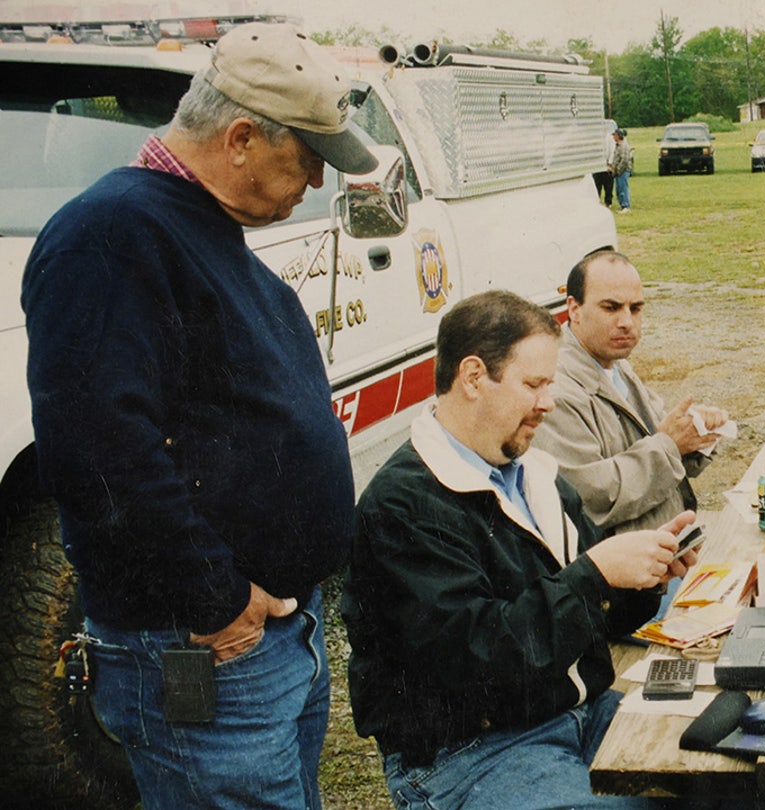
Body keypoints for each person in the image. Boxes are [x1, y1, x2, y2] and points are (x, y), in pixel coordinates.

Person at [20, 22, 377, 810]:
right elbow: (97, 453)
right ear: (243, 137)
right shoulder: (108, 235)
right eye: (310, 157)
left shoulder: (191, 225)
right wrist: (215, 599)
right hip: (208, 647)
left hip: (274, 635)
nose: (318, 183)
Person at [342, 290, 698, 809]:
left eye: (550, 384)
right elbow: (480, 659)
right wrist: (595, 575)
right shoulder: (404, 504)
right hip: (470, 751)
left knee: (724, 777)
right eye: (534, 384)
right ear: (471, 378)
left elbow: (583, 615)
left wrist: (647, 576)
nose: (547, 402)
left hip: (575, 712)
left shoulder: (532, 472)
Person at [533, 250, 729, 536]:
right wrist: (671, 444)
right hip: (620, 572)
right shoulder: (557, 389)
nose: (626, 322)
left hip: (662, 554)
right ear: (574, 309)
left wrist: (697, 432)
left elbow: (658, 438)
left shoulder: (613, 363)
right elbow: (591, 497)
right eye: (611, 308)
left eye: (635, 308)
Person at [593, 124, 615, 206]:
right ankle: (596, 200)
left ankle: (608, 202)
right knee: (597, 184)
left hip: (606, 164)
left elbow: (612, 151)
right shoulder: (596, 139)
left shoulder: (610, 138)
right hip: (598, 164)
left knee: (608, 185)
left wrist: (610, 163)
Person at [612, 128, 634, 213]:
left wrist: (618, 170)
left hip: (623, 171)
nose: (614, 137)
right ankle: (622, 206)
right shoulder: (618, 145)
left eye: (615, 135)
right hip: (619, 172)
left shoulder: (624, 146)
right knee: (619, 189)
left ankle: (626, 206)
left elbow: (624, 160)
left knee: (623, 188)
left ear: (619, 136)